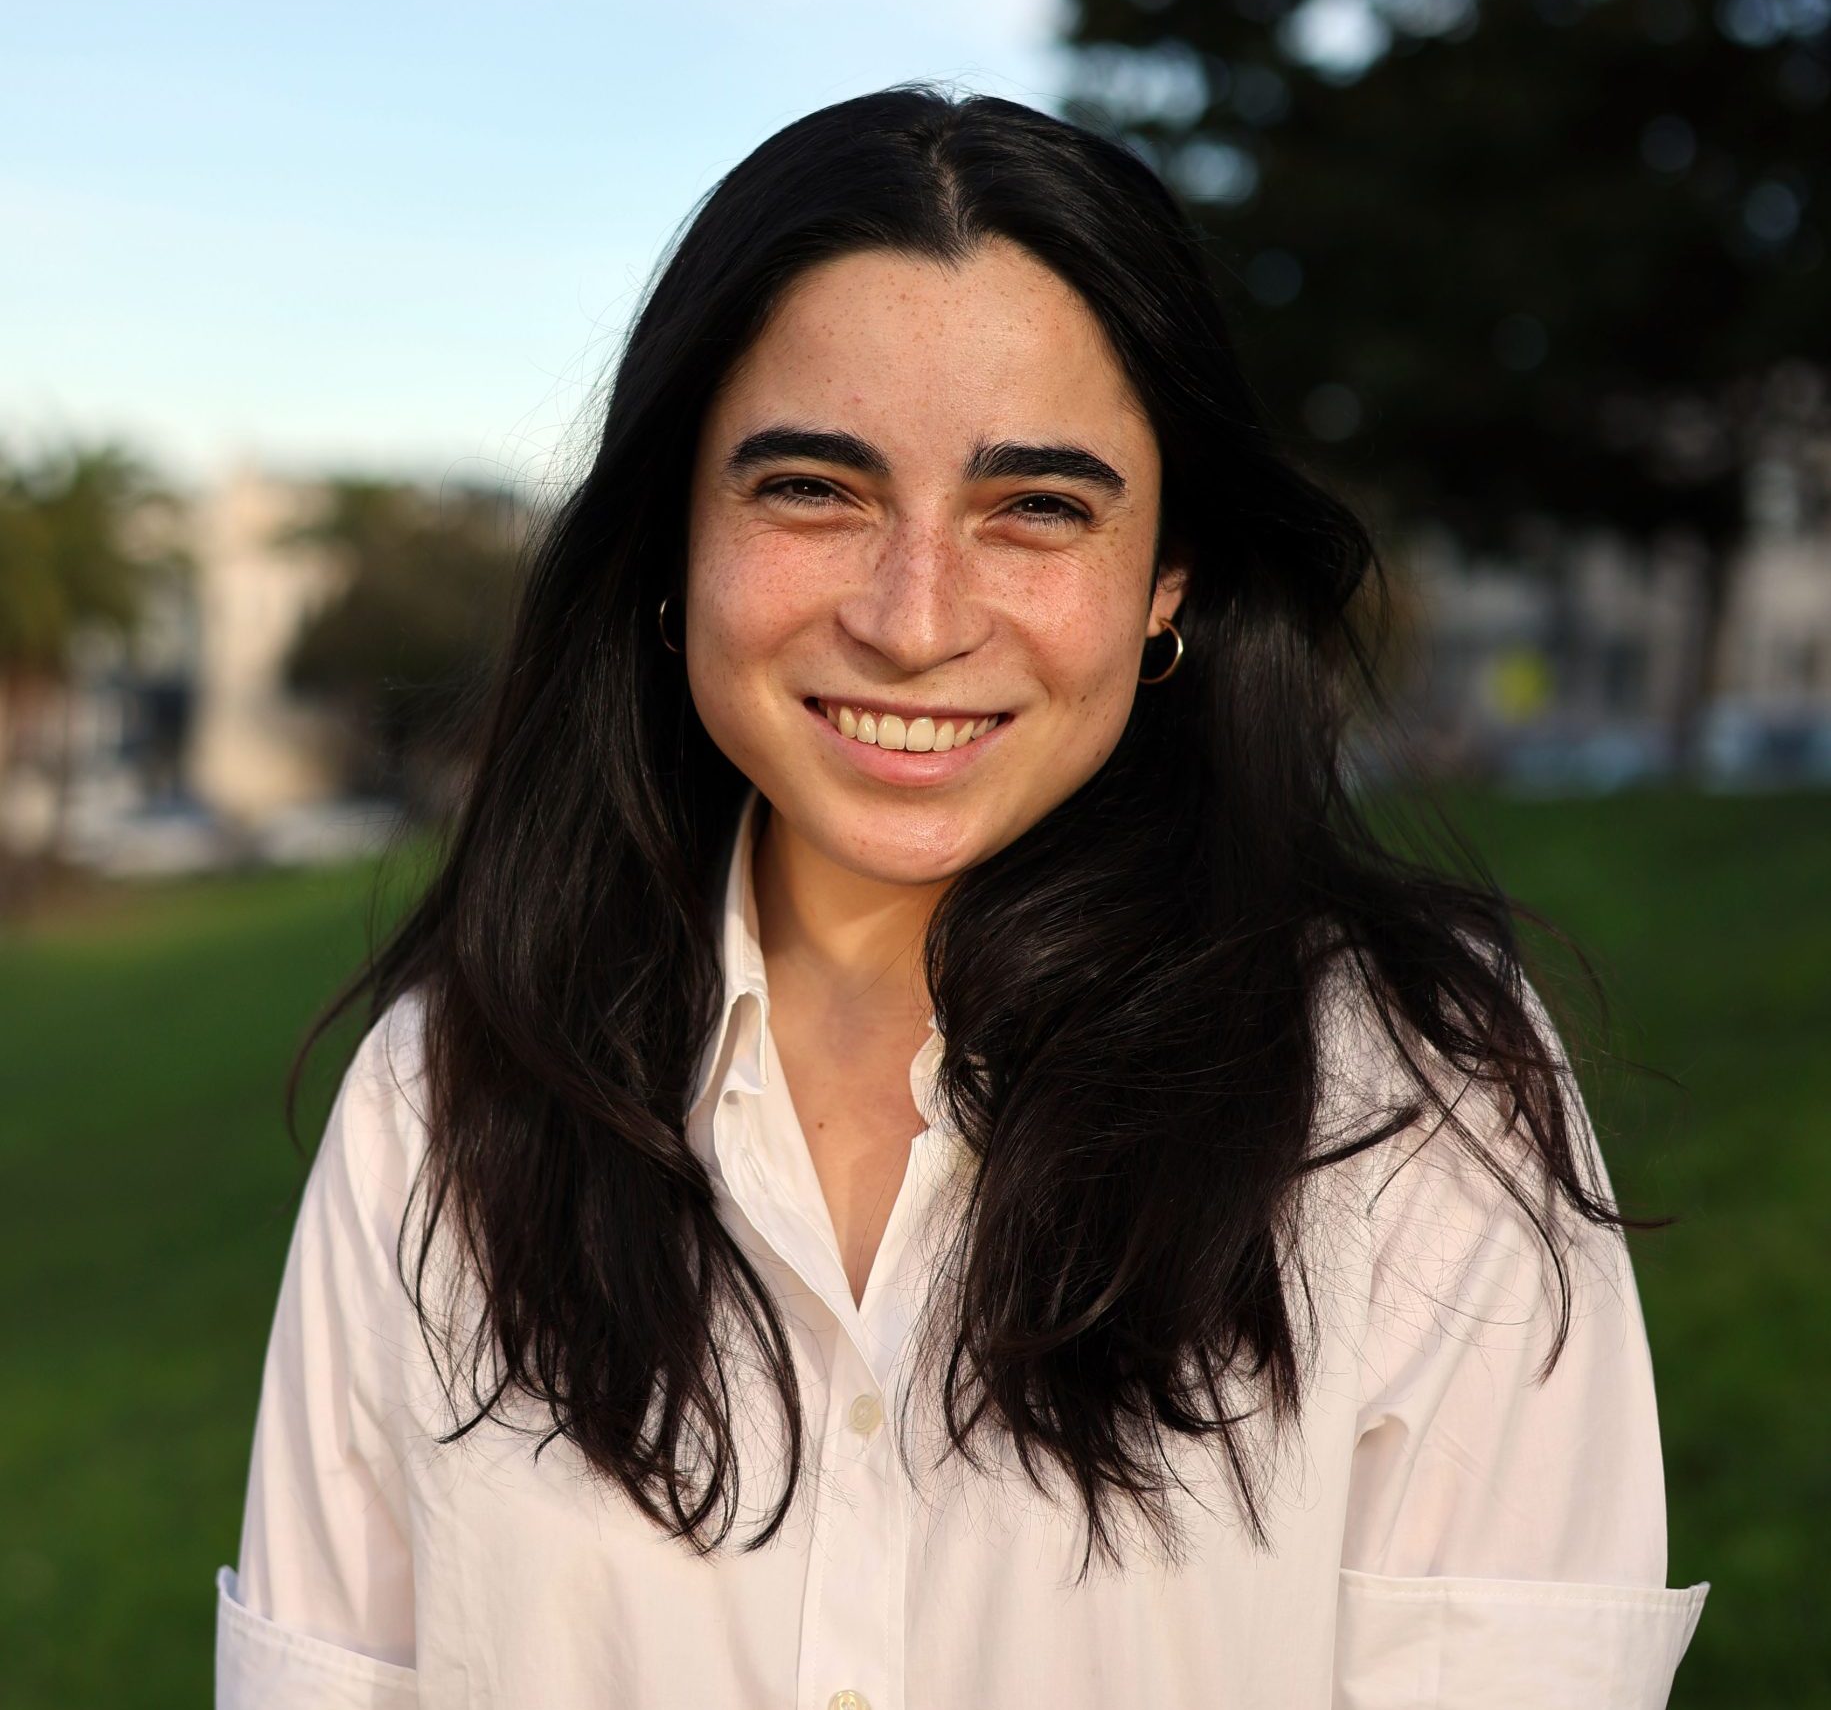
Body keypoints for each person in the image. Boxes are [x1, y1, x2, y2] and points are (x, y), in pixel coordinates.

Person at [214, 84, 1709, 1709]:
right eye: (813, 489)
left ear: (1171, 580)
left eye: (1039, 510)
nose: (917, 619)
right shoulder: (440, 1105)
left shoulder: (1413, 1098)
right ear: (670, 540)